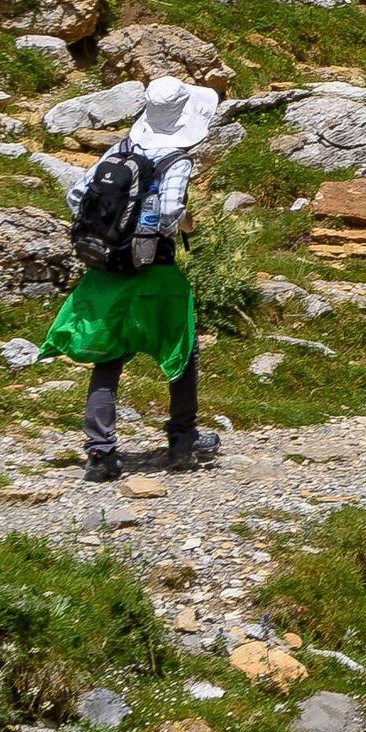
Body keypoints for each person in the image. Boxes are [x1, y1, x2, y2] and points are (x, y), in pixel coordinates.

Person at [52, 77, 223, 483]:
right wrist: (174, 224)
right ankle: (182, 440)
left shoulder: (121, 148)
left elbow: (76, 195)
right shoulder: (176, 161)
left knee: (108, 356)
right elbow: (168, 213)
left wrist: (112, 231)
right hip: (155, 271)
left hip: (108, 268)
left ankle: (100, 452)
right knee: (180, 351)